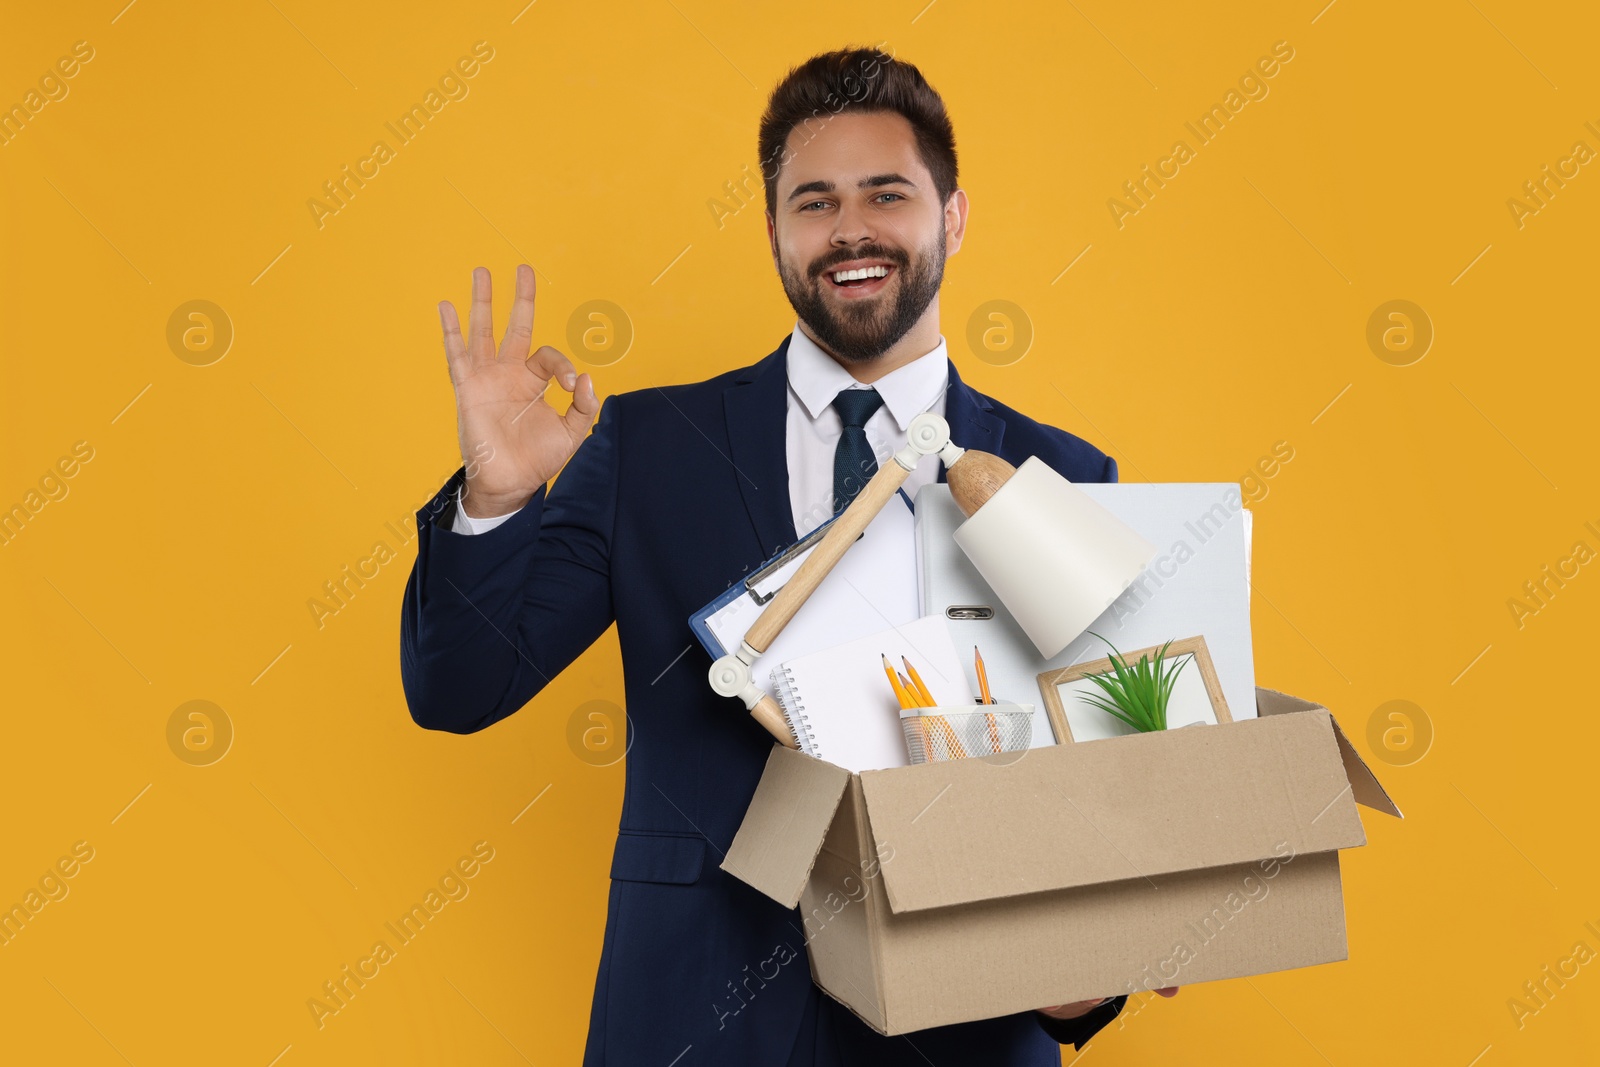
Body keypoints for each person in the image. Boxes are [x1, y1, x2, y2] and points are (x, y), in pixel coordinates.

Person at [400, 46, 1177, 1065]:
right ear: (772, 231)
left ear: (951, 216)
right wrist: (498, 496)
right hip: (691, 1020)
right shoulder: (647, 448)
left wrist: (1085, 984)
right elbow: (458, 686)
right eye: (814, 201)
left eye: (886, 194)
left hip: (956, 1034)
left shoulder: (1060, 475)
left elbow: (1117, 785)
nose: (850, 227)